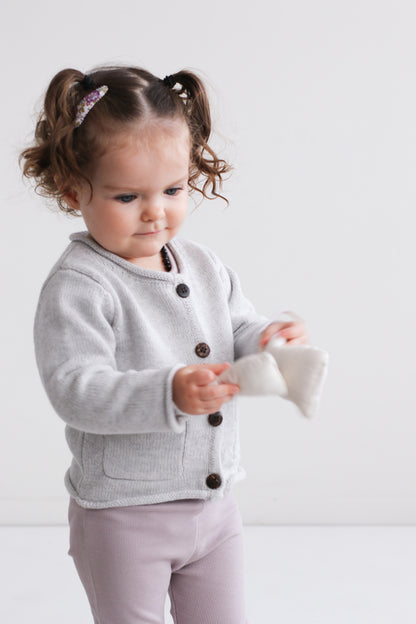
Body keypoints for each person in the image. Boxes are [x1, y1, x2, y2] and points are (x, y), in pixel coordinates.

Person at [20, 65, 308, 624]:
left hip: (213, 506)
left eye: (173, 190)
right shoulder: (80, 286)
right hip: (124, 517)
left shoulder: (201, 263)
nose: (156, 212)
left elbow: (236, 328)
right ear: (72, 188)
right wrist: (168, 392)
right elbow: (76, 389)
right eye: (127, 195)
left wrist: (268, 339)